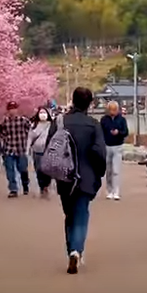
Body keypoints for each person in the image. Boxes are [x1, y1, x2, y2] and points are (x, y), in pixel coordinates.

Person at [47, 86, 106, 275]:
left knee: (69, 215)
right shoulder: (93, 124)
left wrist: (47, 177)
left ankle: (71, 250)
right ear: (89, 103)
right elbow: (98, 151)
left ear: (72, 100)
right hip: (86, 176)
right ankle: (76, 250)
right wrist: (100, 171)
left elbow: (50, 149)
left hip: (65, 176)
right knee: (81, 215)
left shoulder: (59, 122)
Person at [0, 100, 33, 197]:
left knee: (22, 169)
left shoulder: (23, 120)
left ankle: (25, 184)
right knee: (10, 170)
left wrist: (28, 142)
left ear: (17, 110)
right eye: (10, 109)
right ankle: (13, 189)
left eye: (14, 109)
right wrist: (3, 138)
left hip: (21, 148)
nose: (12, 111)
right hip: (9, 149)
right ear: (8, 110)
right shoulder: (4, 121)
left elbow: (30, 131)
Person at [99, 100, 128, 200]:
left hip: (118, 146)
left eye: (114, 110)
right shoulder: (104, 120)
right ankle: (109, 190)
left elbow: (125, 132)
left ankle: (116, 191)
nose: (113, 112)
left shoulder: (122, 120)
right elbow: (100, 132)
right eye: (111, 110)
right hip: (107, 146)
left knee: (116, 170)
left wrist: (118, 132)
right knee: (108, 170)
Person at [27, 107, 53, 198]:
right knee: (39, 170)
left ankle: (46, 185)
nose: (43, 114)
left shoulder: (51, 125)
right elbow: (30, 138)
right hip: (37, 151)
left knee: (47, 170)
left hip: (48, 151)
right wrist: (27, 149)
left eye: (44, 112)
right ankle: (42, 186)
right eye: (41, 112)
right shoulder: (34, 125)